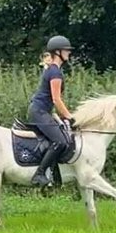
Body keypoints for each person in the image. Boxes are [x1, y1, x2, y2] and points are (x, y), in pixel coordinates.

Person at [27, 35, 76, 187]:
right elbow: (56, 99)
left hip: (43, 111)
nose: (69, 53)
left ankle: (54, 177)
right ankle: (39, 174)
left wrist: (61, 117)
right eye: (66, 50)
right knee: (60, 141)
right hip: (39, 112)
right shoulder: (55, 73)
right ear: (58, 52)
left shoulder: (54, 71)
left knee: (59, 137)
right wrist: (69, 116)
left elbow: (52, 101)